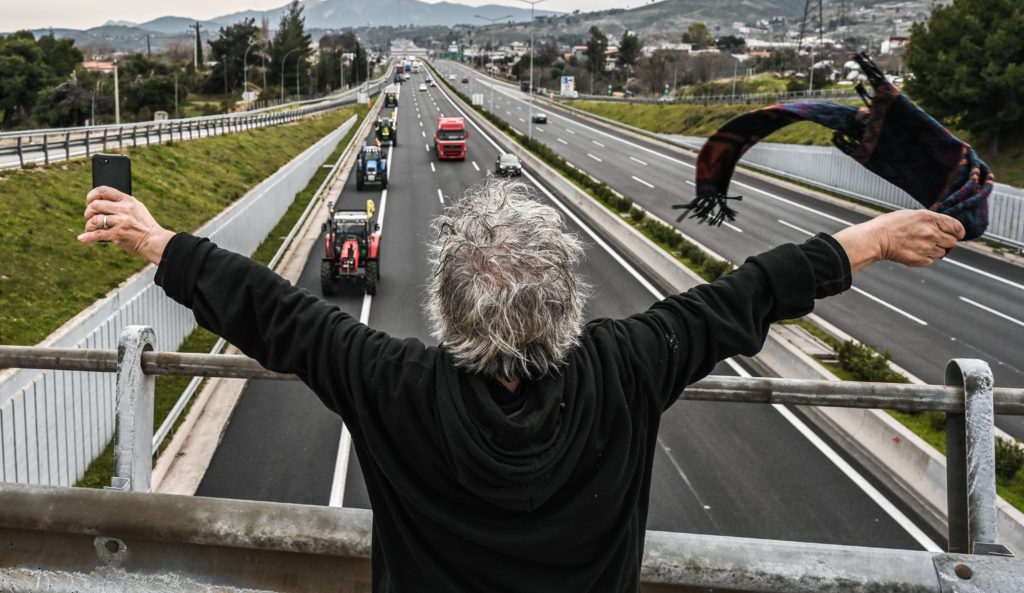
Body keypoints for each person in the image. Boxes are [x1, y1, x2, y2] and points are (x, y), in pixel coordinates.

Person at [78, 179, 964, 592]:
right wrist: (876, 238)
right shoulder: (630, 363)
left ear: (447, 311)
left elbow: (276, 312)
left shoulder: (392, 383)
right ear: (569, 302)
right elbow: (746, 297)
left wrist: (161, 242)